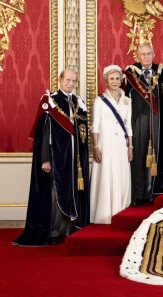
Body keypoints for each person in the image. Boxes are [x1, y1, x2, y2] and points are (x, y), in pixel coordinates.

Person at [13, 68, 90, 246]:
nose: (71, 84)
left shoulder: (78, 102)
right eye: (68, 80)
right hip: (57, 158)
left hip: (74, 160)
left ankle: (70, 227)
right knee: (57, 194)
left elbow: (82, 133)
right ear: (60, 80)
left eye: (74, 81)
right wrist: (45, 159)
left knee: (72, 192)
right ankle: (55, 231)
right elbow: (44, 133)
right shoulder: (50, 101)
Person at [124, 43, 163, 205]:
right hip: (138, 122)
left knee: (158, 153)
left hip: (159, 123)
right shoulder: (131, 73)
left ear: (154, 54)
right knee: (141, 154)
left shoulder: (162, 72)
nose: (146, 57)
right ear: (138, 56)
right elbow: (125, 99)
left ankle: (156, 189)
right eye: (143, 54)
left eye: (149, 53)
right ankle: (139, 193)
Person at [89, 65, 133, 224]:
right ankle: (104, 214)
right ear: (106, 81)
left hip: (121, 144)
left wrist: (130, 146)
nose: (115, 81)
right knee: (107, 175)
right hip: (105, 144)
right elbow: (95, 125)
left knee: (121, 175)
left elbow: (129, 126)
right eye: (111, 79)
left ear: (121, 80)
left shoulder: (127, 100)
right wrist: (96, 147)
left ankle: (121, 212)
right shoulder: (99, 100)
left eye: (117, 78)